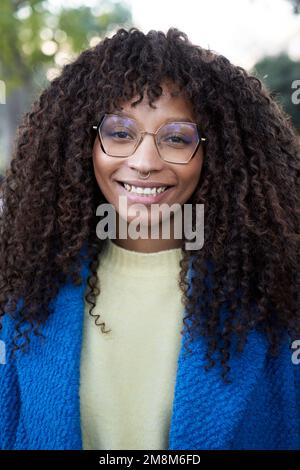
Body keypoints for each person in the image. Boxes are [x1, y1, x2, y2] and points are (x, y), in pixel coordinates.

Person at [0, 27, 299, 451]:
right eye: (120, 133)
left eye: (176, 138)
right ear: (83, 143)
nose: (143, 163)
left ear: (220, 154)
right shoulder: (27, 286)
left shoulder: (275, 291)